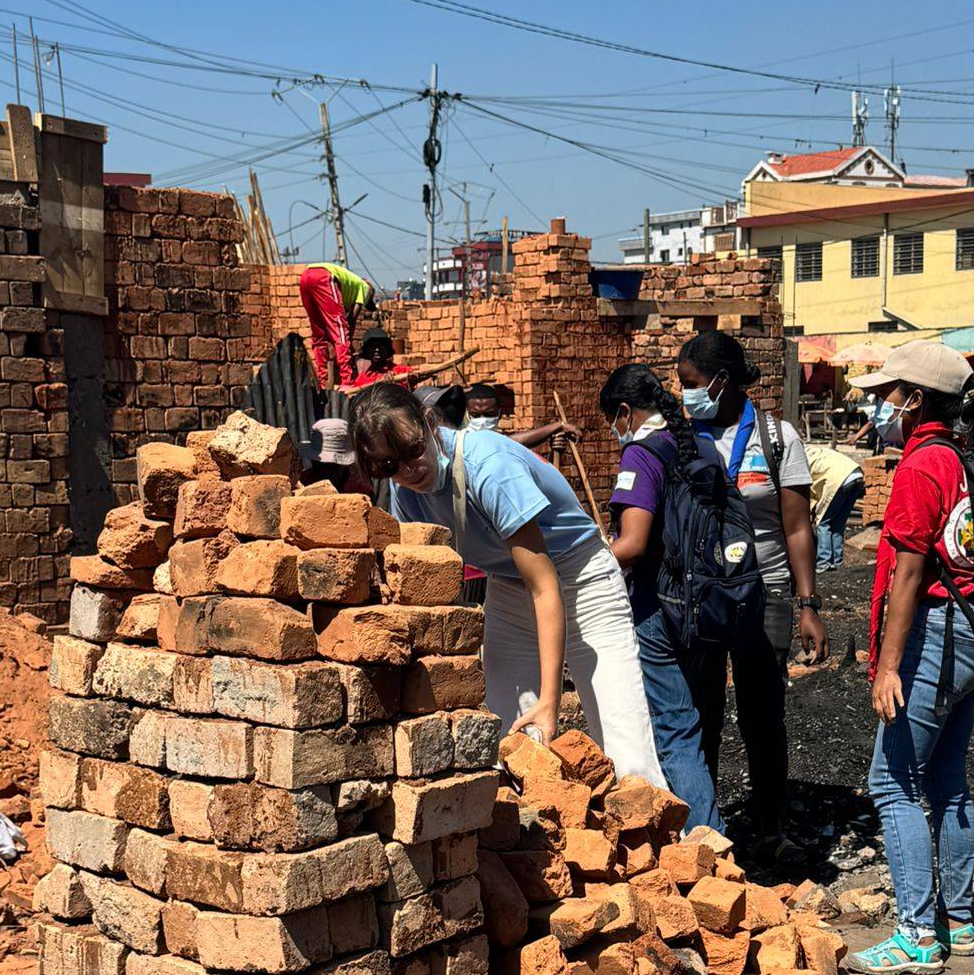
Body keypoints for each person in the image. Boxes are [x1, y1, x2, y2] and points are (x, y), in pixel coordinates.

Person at [350, 382, 665, 780]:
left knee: (624, 744)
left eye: (413, 449)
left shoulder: (488, 467)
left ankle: (654, 834)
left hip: (581, 577)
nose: (409, 469)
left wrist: (551, 700)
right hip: (509, 583)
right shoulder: (407, 493)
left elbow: (545, 585)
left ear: (428, 423)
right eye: (387, 465)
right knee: (511, 734)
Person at [841, 341, 974, 975]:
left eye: (889, 393)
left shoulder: (921, 466)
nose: (881, 405)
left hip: (934, 633)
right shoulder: (968, 458)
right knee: (947, 779)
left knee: (892, 780)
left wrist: (887, 665)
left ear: (918, 399)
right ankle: (957, 921)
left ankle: (915, 936)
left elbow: (907, 574)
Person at [675, 331, 828, 854]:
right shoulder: (678, 436)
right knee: (702, 713)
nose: (685, 394)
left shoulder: (777, 438)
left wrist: (808, 605)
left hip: (767, 593)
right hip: (701, 596)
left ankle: (769, 827)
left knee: (763, 714)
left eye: (691, 384)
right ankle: (705, 827)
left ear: (722, 380)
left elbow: (798, 528)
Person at [602, 362, 724, 832]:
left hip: (658, 609)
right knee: (696, 720)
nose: (614, 429)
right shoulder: (699, 444)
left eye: (613, 419)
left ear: (626, 411)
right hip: (706, 605)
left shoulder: (640, 455)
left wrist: (588, 562)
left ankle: (709, 843)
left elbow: (632, 545)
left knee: (674, 731)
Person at [298, 262, 374, 388]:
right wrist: (347, 346)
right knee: (341, 331)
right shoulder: (365, 288)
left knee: (319, 333)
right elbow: (351, 319)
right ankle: (347, 381)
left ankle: (322, 381)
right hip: (324, 277)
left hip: (305, 277)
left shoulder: (351, 283)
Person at [805, 442, 865, 571]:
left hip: (839, 478)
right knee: (838, 523)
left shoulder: (800, 460)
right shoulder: (816, 451)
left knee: (823, 523)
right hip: (857, 473)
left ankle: (823, 562)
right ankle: (837, 562)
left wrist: (811, 512)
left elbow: (807, 493)